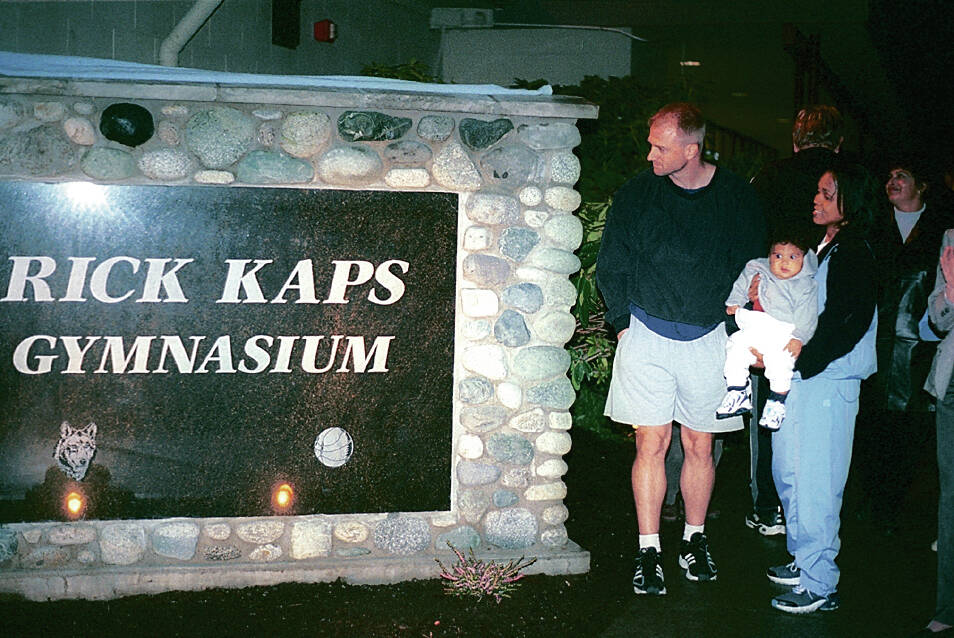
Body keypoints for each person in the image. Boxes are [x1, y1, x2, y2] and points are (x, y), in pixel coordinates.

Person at [596, 102, 765, 595]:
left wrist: (741, 337)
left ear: (691, 150)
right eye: (651, 144)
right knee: (651, 444)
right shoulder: (637, 193)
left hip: (710, 336)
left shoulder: (736, 196)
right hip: (646, 333)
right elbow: (614, 261)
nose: (650, 155)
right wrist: (623, 325)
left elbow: (753, 271)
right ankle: (648, 549)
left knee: (700, 445)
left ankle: (695, 538)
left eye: (660, 147)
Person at [767, 162, 878, 614]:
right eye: (818, 192)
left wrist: (799, 361)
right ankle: (803, 557)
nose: (817, 200)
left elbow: (845, 324)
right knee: (790, 473)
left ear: (851, 201)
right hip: (806, 375)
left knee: (816, 482)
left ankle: (819, 581)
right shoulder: (825, 246)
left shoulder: (856, 250)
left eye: (827, 194)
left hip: (828, 378)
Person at [744, 105, 843, 535]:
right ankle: (823, 514)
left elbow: (749, 237)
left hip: (777, 308)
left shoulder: (770, 176)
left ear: (795, 139)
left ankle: (770, 508)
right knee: (828, 420)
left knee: (772, 406)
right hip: (835, 312)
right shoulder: (854, 180)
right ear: (839, 143)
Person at [859, 159, 954, 530]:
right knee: (872, 423)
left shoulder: (941, 231)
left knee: (910, 429)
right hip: (878, 343)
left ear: (922, 186)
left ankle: (894, 502)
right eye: (890, 176)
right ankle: (874, 499)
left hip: (920, 347)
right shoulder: (873, 226)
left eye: (902, 176)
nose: (892, 181)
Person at [717, 235, 818, 430]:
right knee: (735, 345)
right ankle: (737, 390)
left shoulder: (805, 285)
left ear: (804, 260)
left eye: (793, 257)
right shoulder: (759, 269)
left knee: (781, 361)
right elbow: (742, 283)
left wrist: (799, 337)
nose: (784, 263)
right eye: (778, 256)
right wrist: (734, 301)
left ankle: (776, 402)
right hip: (756, 325)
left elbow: (808, 315)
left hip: (783, 331)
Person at [916, 229, 954, 636]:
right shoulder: (950, 239)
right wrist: (952, 294)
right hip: (953, 384)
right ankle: (949, 605)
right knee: (952, 499)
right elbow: (938, 319)